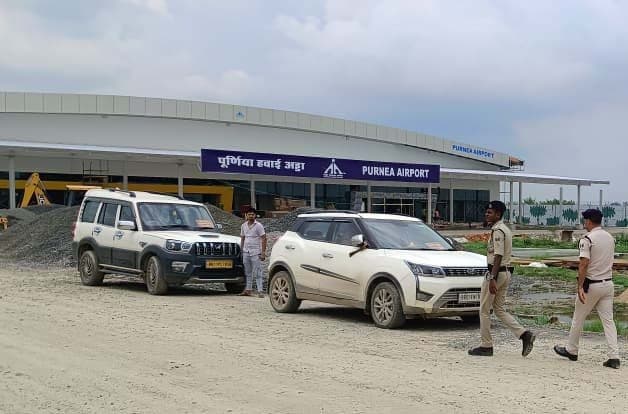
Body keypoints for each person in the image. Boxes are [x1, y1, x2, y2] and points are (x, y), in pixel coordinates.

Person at [554, 208, 620, 369]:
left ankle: (572, 350)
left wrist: (580, 286)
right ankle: (614, 356)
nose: (584, 223)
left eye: (585, 220)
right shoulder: (610, 237)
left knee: (578, 318)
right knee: (608, 321)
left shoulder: (587, 239)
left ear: (589, 221)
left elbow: (583, 264)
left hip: (592, 285)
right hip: (608, 283)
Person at [469, 200, 535, 357]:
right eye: (486, 212)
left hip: (496, 273)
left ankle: (486, 345)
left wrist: (492, 278)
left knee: (484, 310)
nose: (486, 214)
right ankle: (524, 334)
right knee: (498, 309)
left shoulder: (498, 230)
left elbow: (497, 255)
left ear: (498, 214)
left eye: (490, 212)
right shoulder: (504, 229)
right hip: (505, 273)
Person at [239, 207, 267, 298]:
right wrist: (241, 250)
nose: (251, 216)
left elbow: (264, 238)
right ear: (246, 215)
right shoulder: (243, 226)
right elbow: (243, 238)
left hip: (256, 251)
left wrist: (263, 252)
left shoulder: (258, 226)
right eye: (249, 214)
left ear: (255, 215)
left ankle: (260, 291)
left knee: (258, 271)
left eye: (252, 214)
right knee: (248, 272)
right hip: (246, 251)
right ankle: (248, 290)